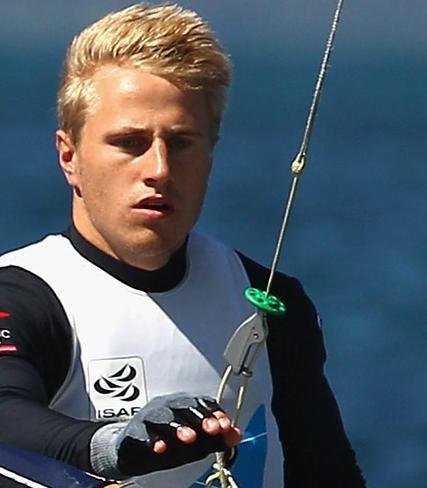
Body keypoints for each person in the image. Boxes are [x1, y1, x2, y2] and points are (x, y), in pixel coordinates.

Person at [0, 3, 365, 487]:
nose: (159, 169)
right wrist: (111, 448)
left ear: (210, 154)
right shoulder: (23, 298)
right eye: (129, 142)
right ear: (69, 157)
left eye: (182, 142)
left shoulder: (272, 302)